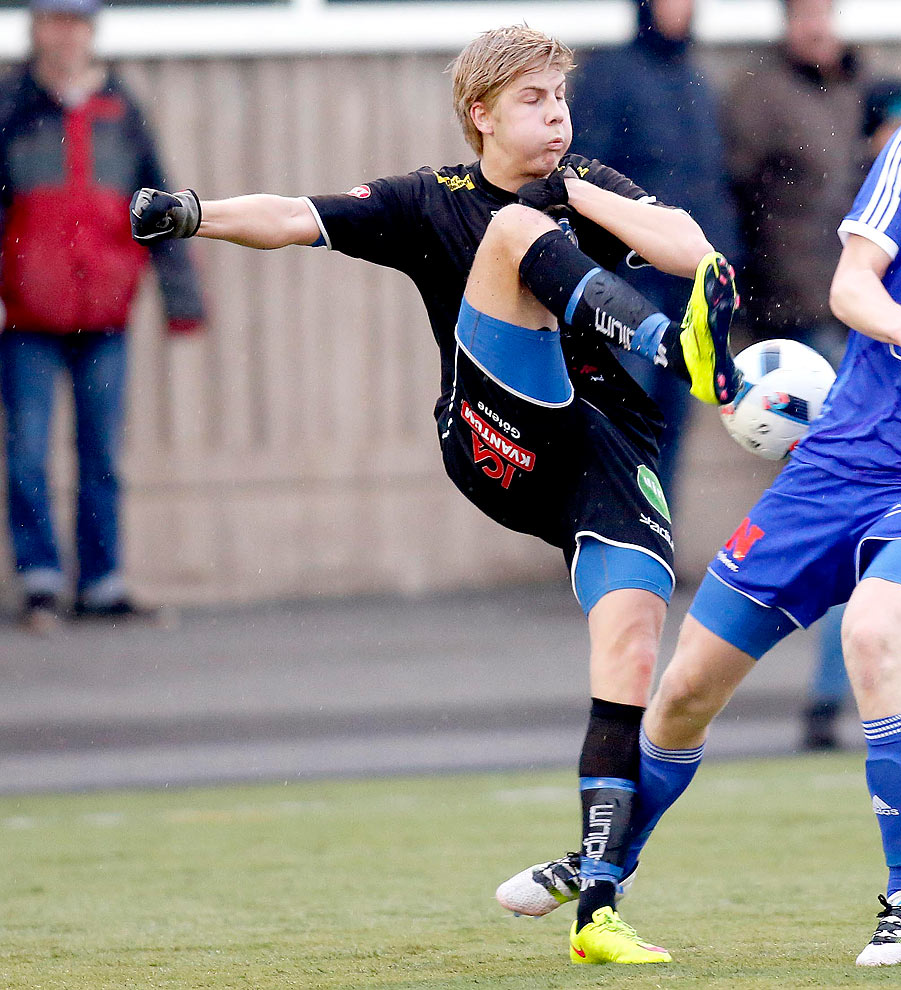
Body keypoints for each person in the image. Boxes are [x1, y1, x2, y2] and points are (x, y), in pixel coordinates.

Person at [499, 35, 901, 964]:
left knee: (874, 635)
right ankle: (608, 866)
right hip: (833, 468)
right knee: (682, 693)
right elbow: (849, 287)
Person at [130, 25, 740, 964]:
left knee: (632, 641)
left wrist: (580, 190)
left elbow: (694, 250)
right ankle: (668, 348)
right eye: (533, 101)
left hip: (607, 450)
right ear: (481, 115)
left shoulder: (592, 184)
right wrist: (191, 212)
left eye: (560, 100)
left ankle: (597, 909)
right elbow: (296, 215)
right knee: (514, 231)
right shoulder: (434, 200)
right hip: (497, 430)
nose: (555, 117)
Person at [1, 0, 205, 633]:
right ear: (36, 29)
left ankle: (102, 583)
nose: (66, 34)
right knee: (28, 451)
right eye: (55, 20)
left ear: (92, 31)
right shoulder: (12, 107)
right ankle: (40, 584)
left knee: (101, 453)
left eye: (77, 21)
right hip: (25, 313)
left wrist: (181, 299)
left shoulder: (121, 108)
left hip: (104, 311)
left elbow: (157, 203)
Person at [801, 77, 901, 752]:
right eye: (896, 123)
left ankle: (899, 700)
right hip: (857, 386)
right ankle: (829, 704)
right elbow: (837, 286)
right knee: (858, 552)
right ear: (870, 133)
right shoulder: (855, 199)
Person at [566, 0, 741, 501]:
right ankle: (610, 537)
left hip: (686, 288)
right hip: (628, 284)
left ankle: (656, 541)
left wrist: (724, 262)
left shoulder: (696, 80)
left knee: (671, 420)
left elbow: (710, 183)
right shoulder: (610, 75)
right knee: (624, 415)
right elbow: (584, 177)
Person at [722, 0, 867, 354]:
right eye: (805, 17)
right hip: (790, 300)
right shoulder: (760, 92)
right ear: (787, 23)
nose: (816, 28)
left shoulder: (848, 85)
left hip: (849, 289)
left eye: (823, 15)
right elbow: (736, 190)